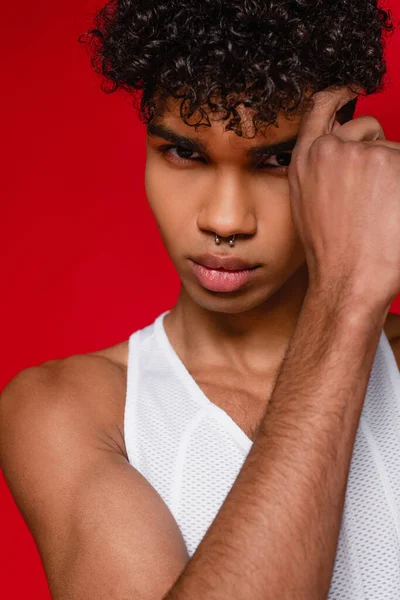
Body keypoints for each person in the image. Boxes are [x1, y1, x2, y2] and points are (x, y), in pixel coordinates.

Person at [1, 0, 400, 598]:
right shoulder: (71, 410)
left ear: (339, 163)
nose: (225, 220)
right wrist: (346, 297)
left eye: (276, 161)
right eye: (185, 153)